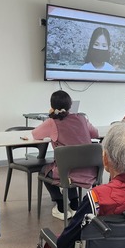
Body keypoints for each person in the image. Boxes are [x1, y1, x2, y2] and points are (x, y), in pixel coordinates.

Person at [32, 90, 99, 220]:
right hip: (89, 171)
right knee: (69, 165)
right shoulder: (82, 118)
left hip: (67, 173)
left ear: (52, 106)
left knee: (44, 171)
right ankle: (74, 205)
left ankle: (61, 207)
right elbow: (95, 133)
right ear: (70, 105)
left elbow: (35, 134)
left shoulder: (52, 122)